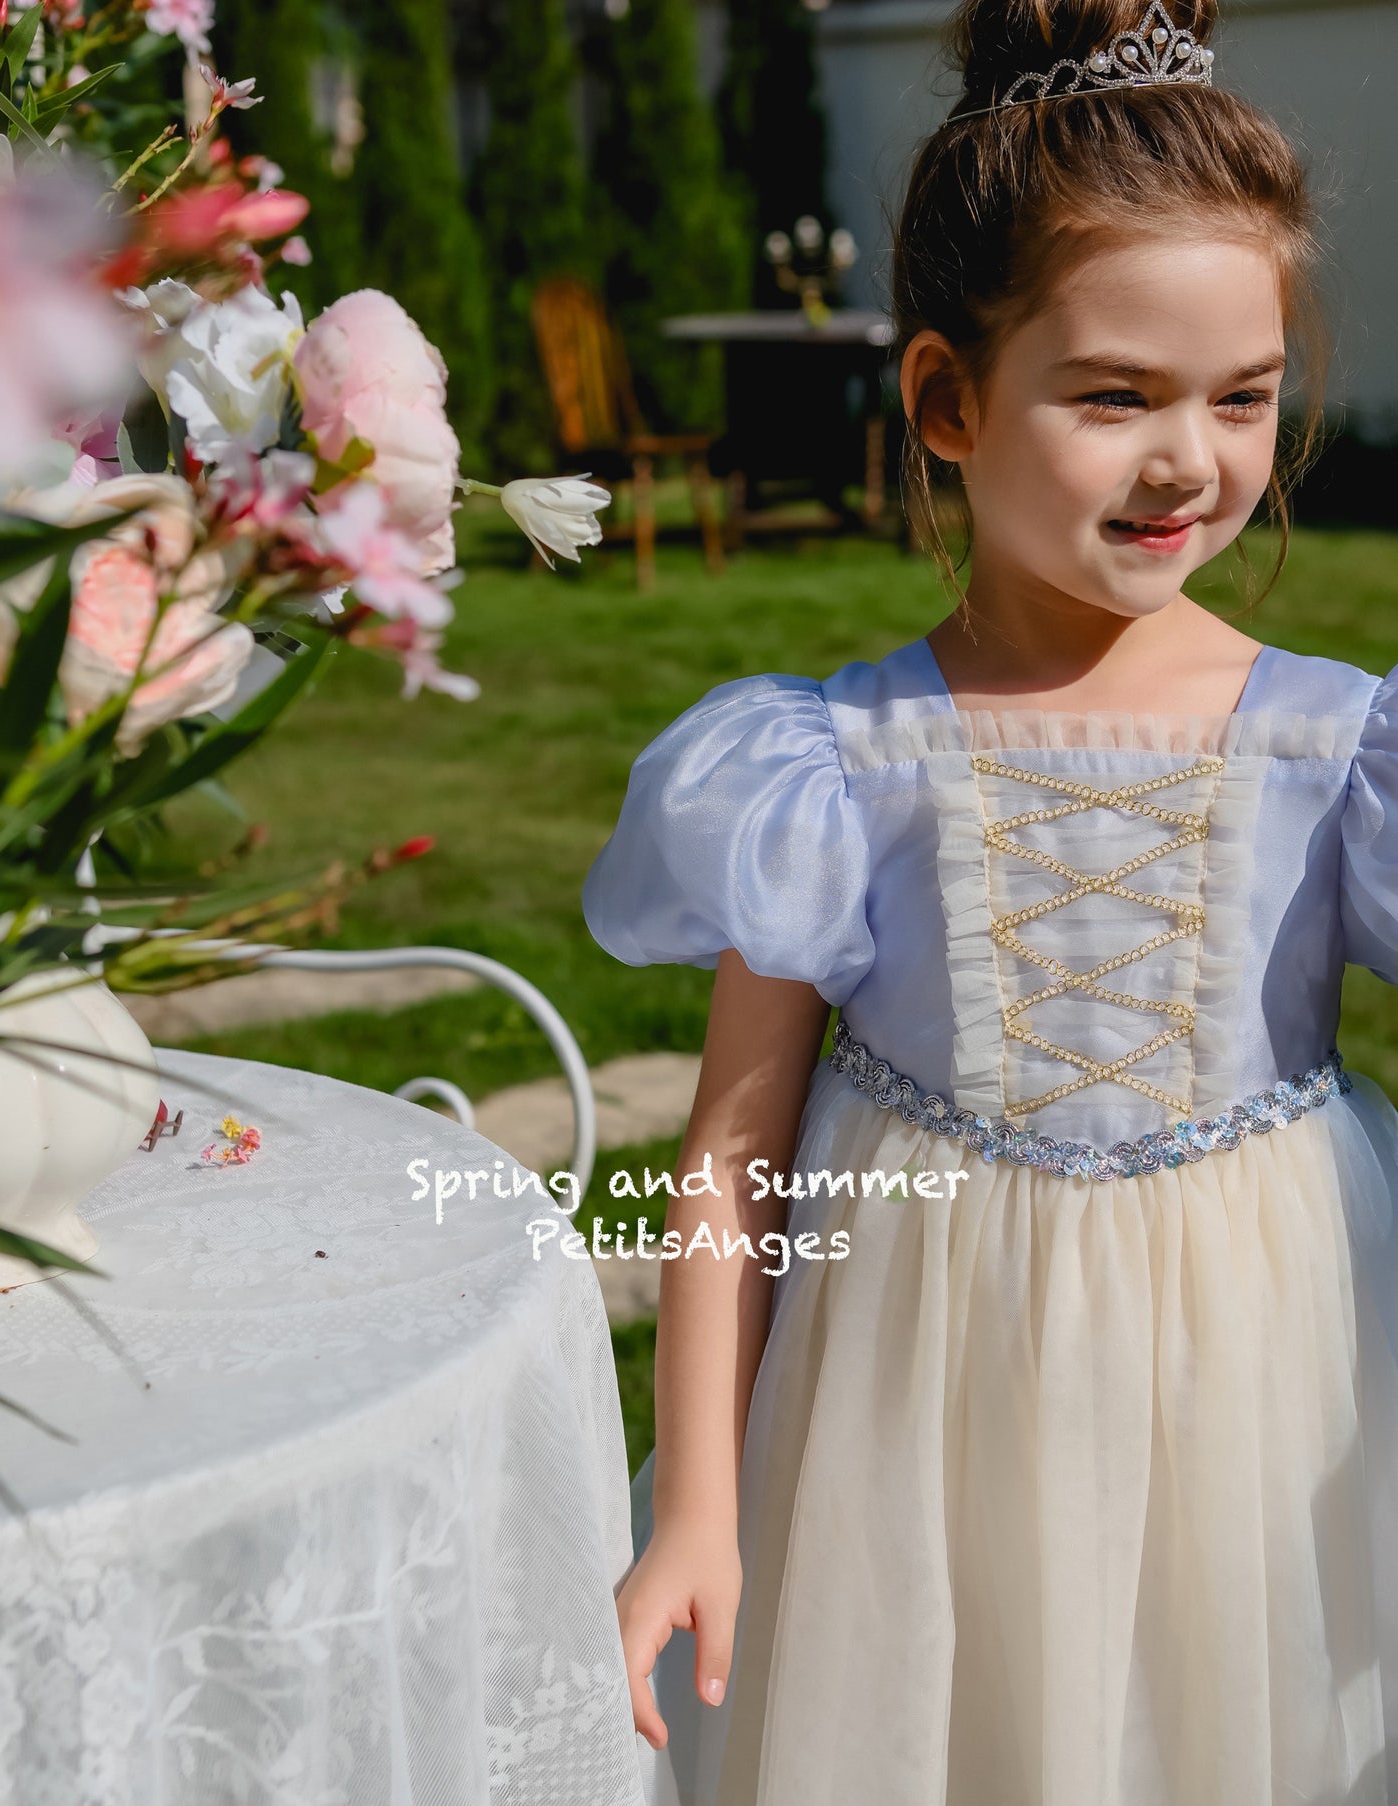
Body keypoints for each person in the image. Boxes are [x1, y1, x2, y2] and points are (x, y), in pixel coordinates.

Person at [580, 1, 1398, 1799]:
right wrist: (702, 1498)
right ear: (947, 398)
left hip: (1256, 1371)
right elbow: (732, 1145)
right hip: (908, 1382)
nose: (1186, 457)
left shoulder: (1336, 752)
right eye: (1113, 395)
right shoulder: (835, 761)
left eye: (1240, 396)